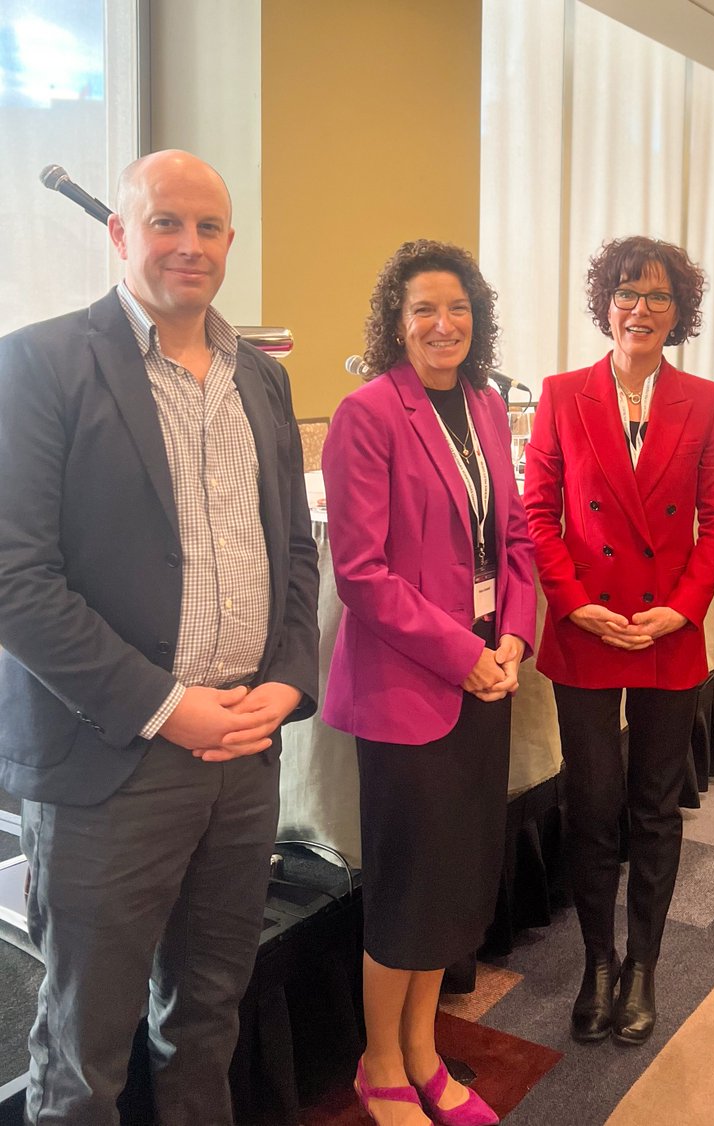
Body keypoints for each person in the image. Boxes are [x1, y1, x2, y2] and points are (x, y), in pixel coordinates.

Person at [0, 150, 319, 1124]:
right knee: (84, 1051)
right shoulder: (39, 363)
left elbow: (297, 556)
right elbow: (16, 580)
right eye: (166, 223)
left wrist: (288, 681)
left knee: (207, 1013)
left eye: (209, 227)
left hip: (243, 754)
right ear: (119, 234)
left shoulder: (259, 382)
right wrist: (166, 706)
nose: (190, 245)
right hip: (113, 762)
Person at [321, 240, 536, 1126]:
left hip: (489, 677)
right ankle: (379, 1067)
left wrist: (516, 637)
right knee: (410, 892)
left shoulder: (486, 406)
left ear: (476, 319)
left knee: (451, 887)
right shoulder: (367, 414)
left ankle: (421, 1049)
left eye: (456, 308)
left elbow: (514, 540)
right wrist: (466, 653)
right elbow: (361, 574)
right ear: (396, 324)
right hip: (414, 688)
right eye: (422, 311)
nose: (442, 324)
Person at [523, 235, 714, 1045]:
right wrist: (572, 602)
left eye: (656, 297)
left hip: (664, 630)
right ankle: (596, 960)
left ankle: (643, 963)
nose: (638, 309)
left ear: (678, 313)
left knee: (653, 807)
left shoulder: (707, 402)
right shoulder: (561, 393)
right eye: (625, 293)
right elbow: (538, 511)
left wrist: (682, 608)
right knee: (592, 804)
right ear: (603, 303)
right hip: (587, 628)